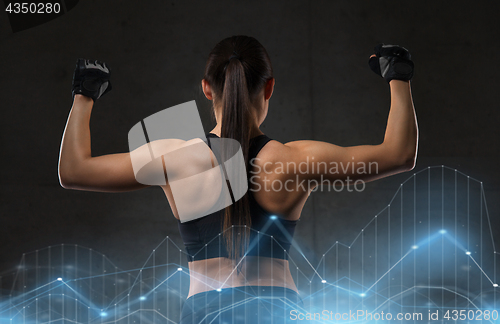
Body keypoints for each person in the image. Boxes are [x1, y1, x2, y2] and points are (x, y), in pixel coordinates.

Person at [58, 36, 418, 323]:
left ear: (207, 88)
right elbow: (398, 154)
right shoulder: (293, 160)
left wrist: (85, 94)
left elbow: (74, 171)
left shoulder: (174, 158)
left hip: (205, 311)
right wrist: (397, 75)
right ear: (270, 87)